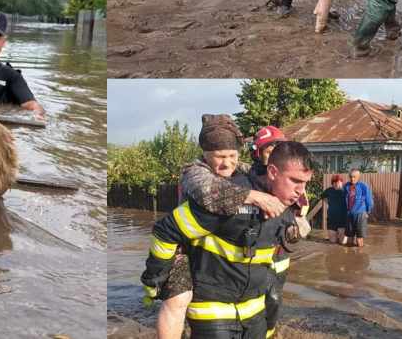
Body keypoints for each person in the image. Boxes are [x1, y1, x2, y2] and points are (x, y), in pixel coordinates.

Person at [142, 141, 315, 339]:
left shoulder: (287, 207)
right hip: (213, 312)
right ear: (273, 172)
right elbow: (166, 231)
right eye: (295, 181)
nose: (301, 191)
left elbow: (276, 266)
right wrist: (154, 280)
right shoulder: (229, 198)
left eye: (305, 183)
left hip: (254, 314)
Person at [155, 116, 286, 339]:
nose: (227, 163)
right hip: (185, 248)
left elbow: (262, 175)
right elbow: (210, 193)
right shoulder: (193, 172)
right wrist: (256, 197)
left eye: (232, 156)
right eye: (220, 157)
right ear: (205, 155)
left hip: (218, 254)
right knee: (177, 301)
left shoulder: (242, 169)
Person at [343, 169, 373, 247]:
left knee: (359, 238)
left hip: (360, 214)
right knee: (349, 237)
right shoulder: (346, 186)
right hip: (349, 214)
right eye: (351, 177)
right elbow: (344, 199)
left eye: (354, 177)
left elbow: (369, 200)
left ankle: (360, 255)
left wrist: (367, 212)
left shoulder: (363, 186)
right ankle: (350, 256)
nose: (352, 179)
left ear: (358, 177)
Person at [321, 174, 348, 243]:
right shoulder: (329, 190)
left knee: (343, 243)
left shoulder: (345, 190)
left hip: (343, 219)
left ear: (341, 182)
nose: (336, 184)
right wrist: (329, 203)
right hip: (331, 219)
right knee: (332, 242)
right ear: (332, 184)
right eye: (334, 183)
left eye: (338, 182)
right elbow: (323, 197)